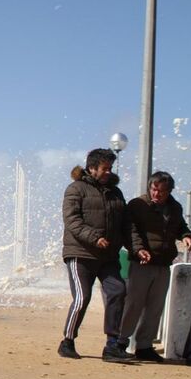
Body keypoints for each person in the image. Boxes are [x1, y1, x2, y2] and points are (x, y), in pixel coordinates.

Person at [58, 148, 131, 362]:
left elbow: (125, 225)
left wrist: (137, 248)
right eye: (104, 168)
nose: (109, 172)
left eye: (110, 168)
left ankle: (112, 346)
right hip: (80, 254)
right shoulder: (75, 189)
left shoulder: (116, 193)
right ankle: (67, 341)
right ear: (91, 168)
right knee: (83, 297)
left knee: (118, 291)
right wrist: (94, 237)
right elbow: (72, 220)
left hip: (108, 256)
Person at [118, 171, 191, 361]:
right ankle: (120, 342)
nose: (157, 194)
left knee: (155, 307)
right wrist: (139, 250)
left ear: (169, 191)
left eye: (161, 191)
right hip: (141, 263)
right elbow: (131, 231)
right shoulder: (138, 205)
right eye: (154, 189)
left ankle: (144, 346)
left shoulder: (175, 208)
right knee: (133, 304)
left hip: (163, 264)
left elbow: (180, 227)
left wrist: (187, 236)